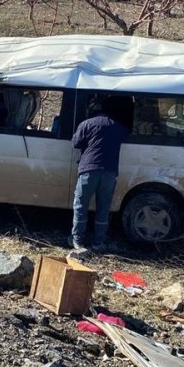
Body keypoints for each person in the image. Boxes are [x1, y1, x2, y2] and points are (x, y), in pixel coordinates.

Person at [70, 99, 129, 252]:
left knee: (80, 205)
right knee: (103, 208)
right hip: (109, 172)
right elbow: (125, 137)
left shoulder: (86, 124)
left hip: (88, 170)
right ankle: (98, 242)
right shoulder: (118, 127)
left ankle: (78, 241)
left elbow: (75, 143)